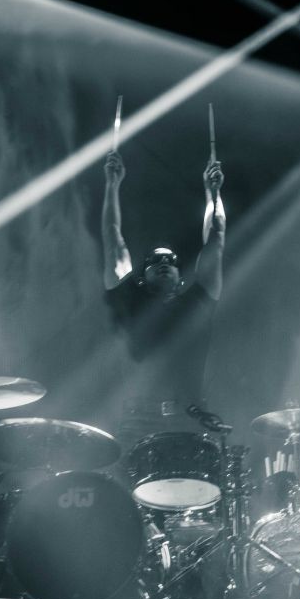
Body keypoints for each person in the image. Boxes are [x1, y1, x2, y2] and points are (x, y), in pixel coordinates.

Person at [101, 149, 226, 452]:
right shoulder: (130, 299)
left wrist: (213, 193)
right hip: (138, 421)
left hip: (190, 417)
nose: (164, 262)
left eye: (171, 260)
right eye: (155, 260)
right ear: (142, 276)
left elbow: (216, 236)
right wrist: (112, 185)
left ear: (180, 277)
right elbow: (113, 237)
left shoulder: (196, 302)